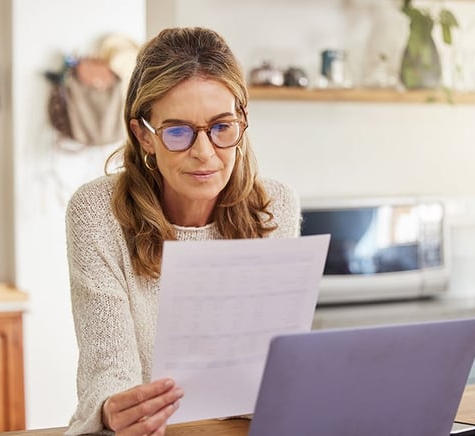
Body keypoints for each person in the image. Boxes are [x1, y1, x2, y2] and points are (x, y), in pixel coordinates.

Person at [65, 26, 301, 435]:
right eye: (178, 132)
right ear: (144, 134)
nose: (204, 153)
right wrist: (111, 410)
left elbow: (271, 369)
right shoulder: (97, 213)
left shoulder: (275, 205)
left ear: (242, 120)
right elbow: (109, 373)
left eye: (222, 127)